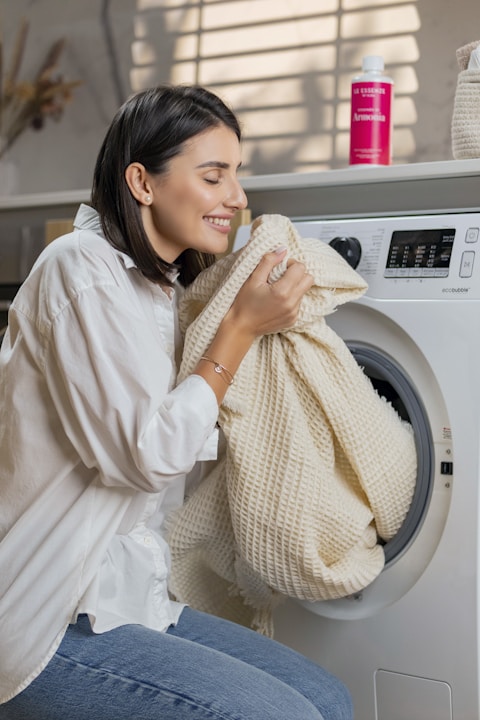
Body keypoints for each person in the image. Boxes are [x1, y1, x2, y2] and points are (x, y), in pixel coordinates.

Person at [0, 84, 353, 720]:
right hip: (46, 611)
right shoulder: (80, 270)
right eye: (213, 175)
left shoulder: (159, 290)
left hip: (126, 599)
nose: (237, 197)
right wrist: (240, 329)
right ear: (143, 182)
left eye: (237, 176)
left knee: (330, 698)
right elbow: (144, 457)